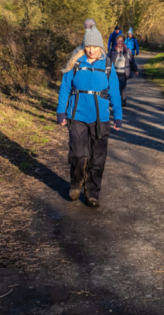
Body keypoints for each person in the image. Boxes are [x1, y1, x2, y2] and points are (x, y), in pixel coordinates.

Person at [57, 19, 123, 208]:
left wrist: (117, 116)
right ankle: (76, 183)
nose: (91, 50)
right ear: (84, 46)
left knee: (98, 157)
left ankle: (92, 192)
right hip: (77, 115)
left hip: (101, 118)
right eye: (88, 46)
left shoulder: (107, 65)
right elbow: (64, 88)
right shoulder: (76, 63)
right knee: (78, 154)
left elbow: (115, 93)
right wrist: (61, 112)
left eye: (94, 46)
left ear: (100, 46)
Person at [109, 34, 138, 107]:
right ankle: (118, 100)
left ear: (123, 42)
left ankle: (122, 100)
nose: (120, 42)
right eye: (119, 41)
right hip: (114, 72)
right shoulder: (112, 51)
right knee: (115, 87)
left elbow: (132, 62)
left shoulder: (127, 51)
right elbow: (106, 59)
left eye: (121, 41)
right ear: (116, 41)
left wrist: (135, 70)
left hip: (123, 72)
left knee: (122, 86)